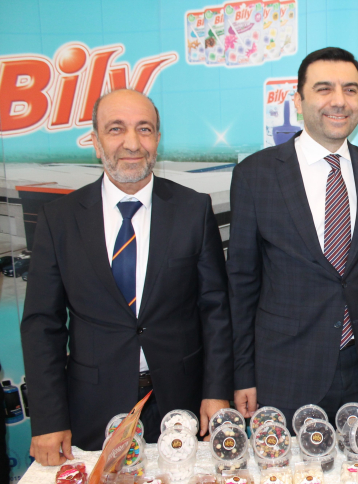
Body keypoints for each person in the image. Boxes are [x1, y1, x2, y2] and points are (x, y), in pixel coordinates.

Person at [20, 89, 233, 462]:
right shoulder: (59, 219)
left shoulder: (193, 209)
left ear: (157, 139)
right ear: (95, 142)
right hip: (93, 407)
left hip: (181, 405)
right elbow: (42, 325)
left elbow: (215, 310)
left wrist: (216, 392)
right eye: (116, 129)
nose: (132, 143)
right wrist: (48, 419)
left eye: (144, 129)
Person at [228, 47, 358, 425]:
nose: (339, 101)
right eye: (324, 89)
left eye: (351, 89)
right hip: (287, 371)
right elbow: (242, 285)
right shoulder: (256, 174)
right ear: (298, 101)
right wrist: (242, 373)